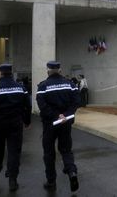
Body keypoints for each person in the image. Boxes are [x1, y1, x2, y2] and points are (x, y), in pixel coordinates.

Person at [0, 63, 31, 192]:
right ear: (11, 73)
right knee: (14, 152)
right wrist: (27, 121)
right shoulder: (20, 88)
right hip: (16, 124)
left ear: (0, 73)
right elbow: (27, 106)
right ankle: (12, 180)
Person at [36, 61, 81, 192]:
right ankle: (72, 172)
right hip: (66, 123)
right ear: (60, 70)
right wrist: (66, 115)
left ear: (48, 71)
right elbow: (77, 101)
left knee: (49, 153)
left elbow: (42, 106)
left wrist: (56, 116)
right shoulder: (70, 84)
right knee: (66, 150)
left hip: (50, 124)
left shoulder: (43, 86)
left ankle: (51, 182)